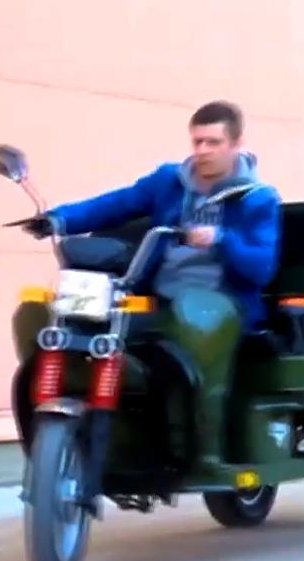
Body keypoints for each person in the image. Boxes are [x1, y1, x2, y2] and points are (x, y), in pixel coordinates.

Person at [16, 100, 283, 472]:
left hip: (223, 303)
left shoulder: (258, 199)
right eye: (197, 141)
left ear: (236, 144)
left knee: (188, 327)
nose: (203, 150)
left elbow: (261, 268)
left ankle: (200, 452)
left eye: (213, 142)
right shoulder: (170, 181)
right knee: (85, 325)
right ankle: (108, 440)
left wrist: (220, 239)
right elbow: (116, 204)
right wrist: (59, 219)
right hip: (161, 299)